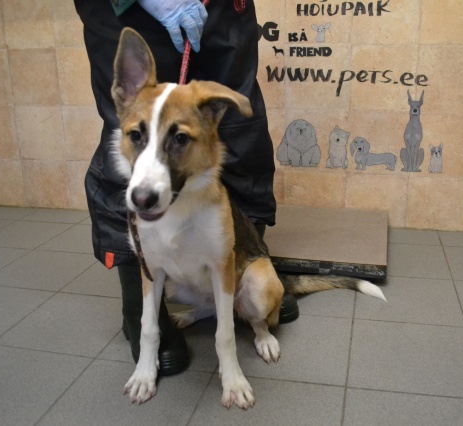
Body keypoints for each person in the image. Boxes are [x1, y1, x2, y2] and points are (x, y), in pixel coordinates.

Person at [74, 0, 298, 377]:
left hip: (224, 7)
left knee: (241, 132)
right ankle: (140, 311)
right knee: (141, 124)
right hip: (126, 7)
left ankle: (245, 274)